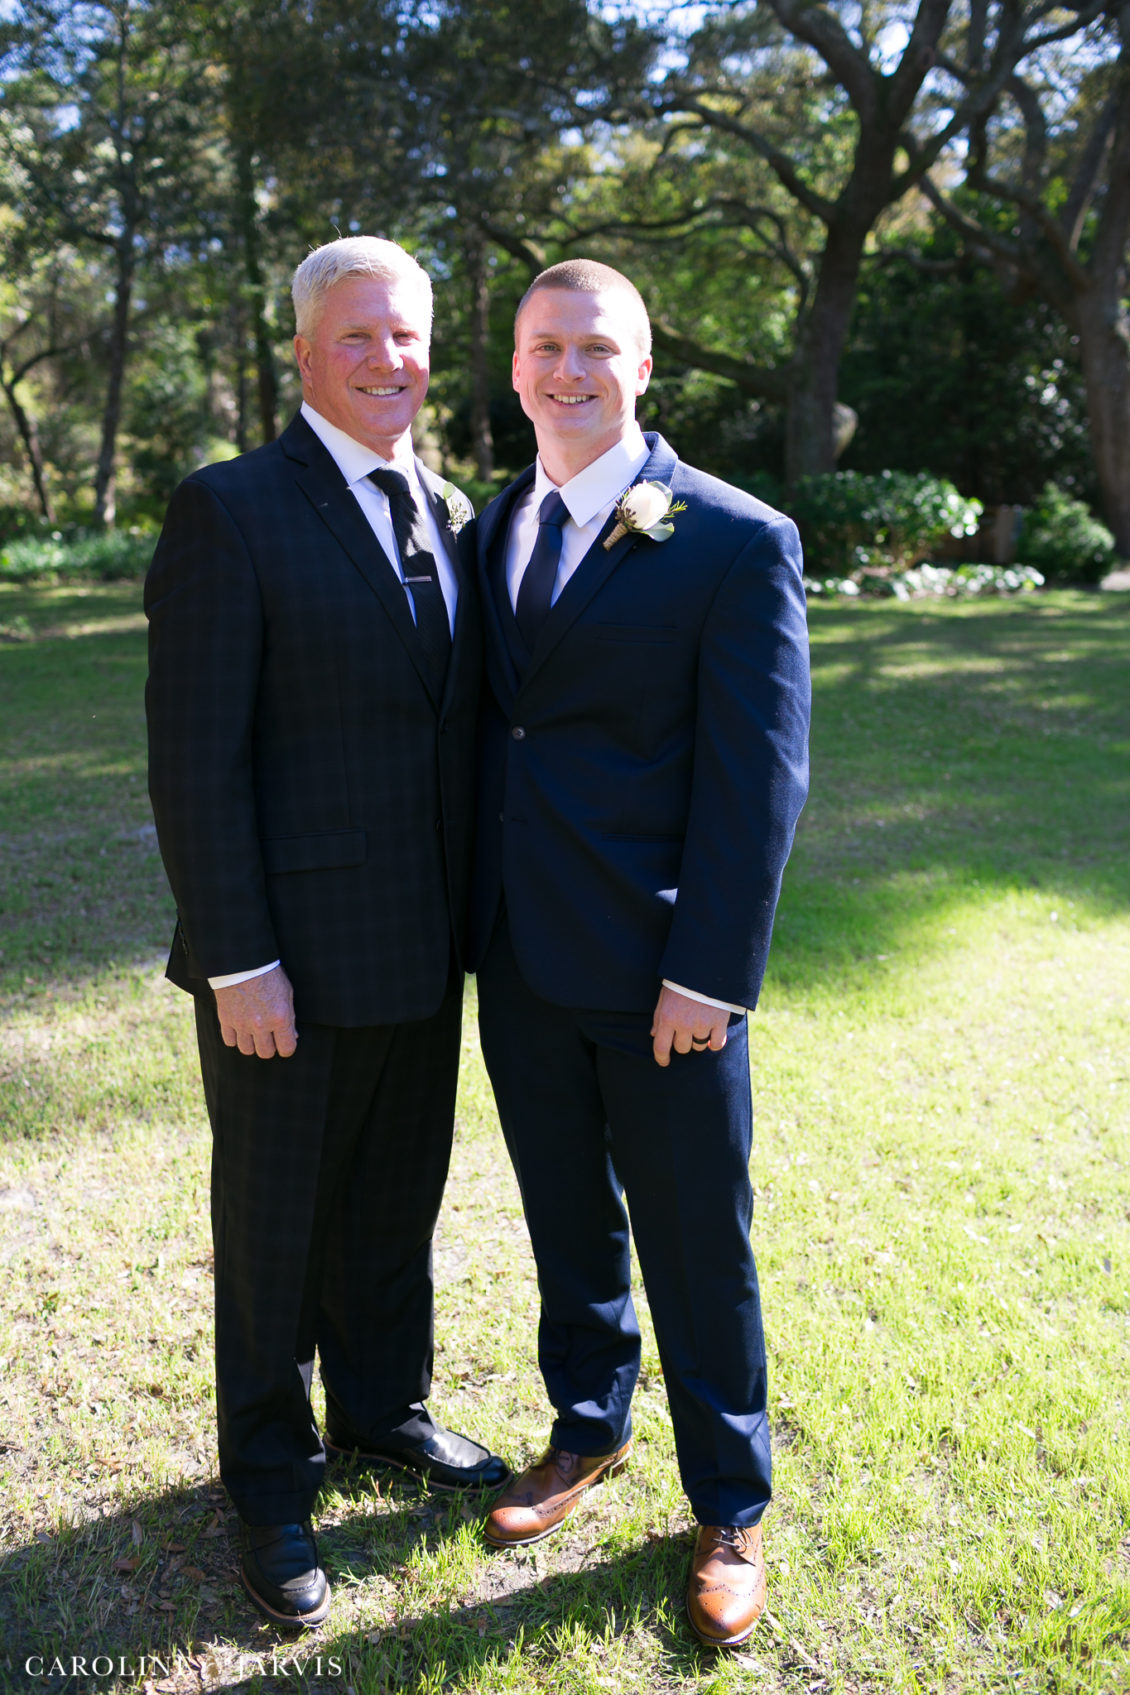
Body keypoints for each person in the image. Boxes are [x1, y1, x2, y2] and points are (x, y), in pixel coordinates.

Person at [145, 236, 506, 1630]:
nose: (386, 359)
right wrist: (239, 960)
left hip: (423, 943)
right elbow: (195, 763)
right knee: (274, 1227)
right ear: (303, 351)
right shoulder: (229, 509)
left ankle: (379, 1408)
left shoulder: (452, 507)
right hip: (284, 961)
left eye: (405, 334)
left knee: (394, 1203)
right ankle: (268, 1478)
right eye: (356, 336)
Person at [469, 260, 810, 1648]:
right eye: (545, 347)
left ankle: (728, 1504)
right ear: (514, 368)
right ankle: (587, 1423)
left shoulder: (733, 538)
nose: (569, 370)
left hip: (664, 970)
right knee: (564, 1215)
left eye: (596, 348)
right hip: (518, 955)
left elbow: (760, 777)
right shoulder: (493, 524)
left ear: (643, 367)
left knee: (695, 1238)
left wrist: (709, 974)